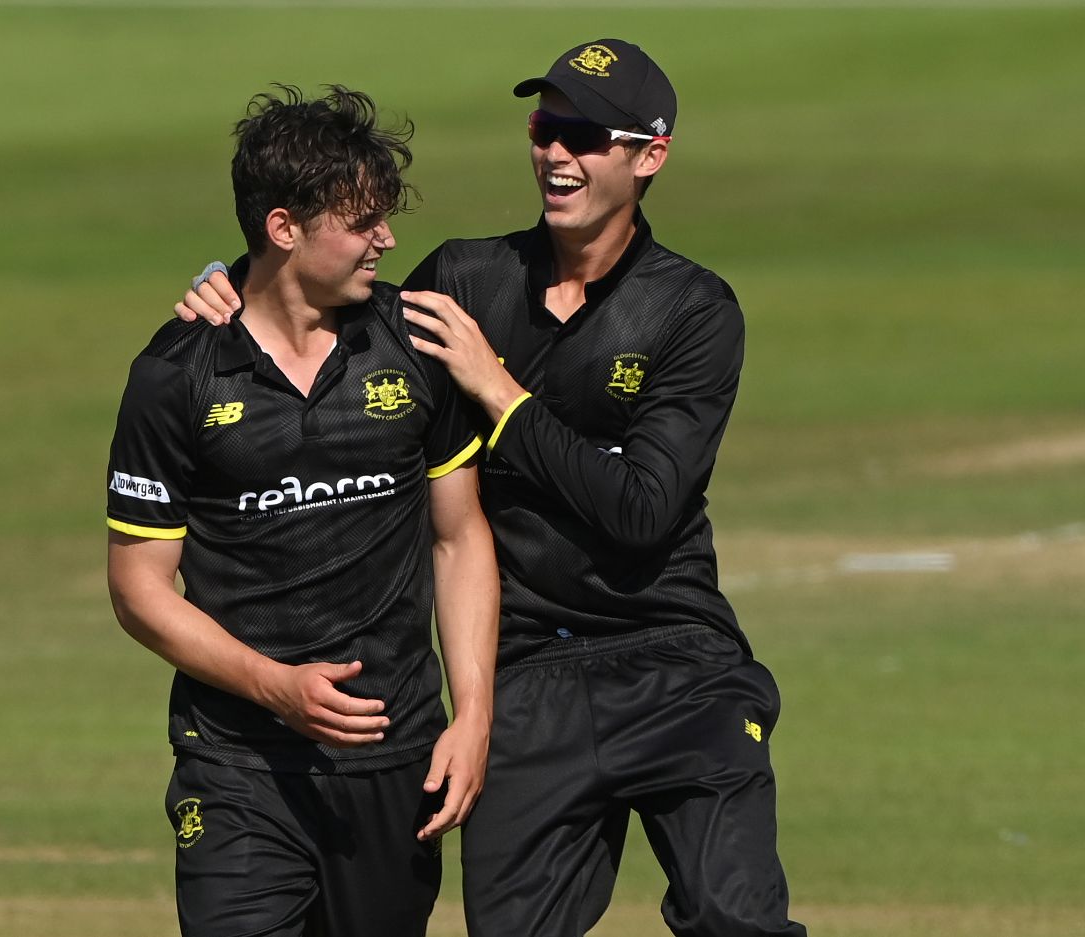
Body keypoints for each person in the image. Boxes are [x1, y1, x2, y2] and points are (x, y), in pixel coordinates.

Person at [176, 41, 805, 937]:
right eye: (546, 127)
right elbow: (314, 300)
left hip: (676, 660)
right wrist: (223, 282)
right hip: (524, 679)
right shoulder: (465, 280)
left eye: (585, 134)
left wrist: (499, 390)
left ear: (650, 154)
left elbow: (640, 508)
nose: (556, 153)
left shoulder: (693, 311)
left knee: (733, 918)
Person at [106, 85, 498, 937]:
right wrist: (273, 686)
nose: (387, 240)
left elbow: (460, 537)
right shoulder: (176, 374)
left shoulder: (416, 344)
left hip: (395, 759)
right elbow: (140, 588)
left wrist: (473, 715)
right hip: (238, 764)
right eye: (362, 223)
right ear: (284, 228)